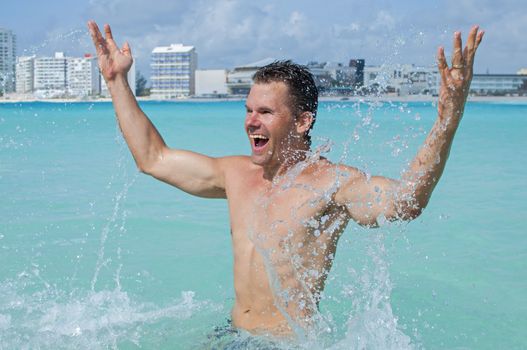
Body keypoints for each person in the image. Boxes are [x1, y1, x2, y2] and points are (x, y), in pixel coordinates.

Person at [87, 21, 483, 336]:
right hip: (231, 334)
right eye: (248, 110)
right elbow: (153, 158)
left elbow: (406, 202)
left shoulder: (331, 183)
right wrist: (116, 82)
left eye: (265, 112)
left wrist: (448, 119)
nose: (250, 122)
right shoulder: (236, 173)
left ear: (302, 120)